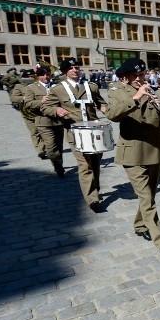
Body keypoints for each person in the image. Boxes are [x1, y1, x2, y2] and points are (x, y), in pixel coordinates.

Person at [106, 58, 160, 257]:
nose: (141, 78)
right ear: (125, 78)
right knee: (146, 197)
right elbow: (112, 114)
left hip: (156, 150)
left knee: (150, 194)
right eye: (136, 76)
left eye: (142, 74)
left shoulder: (155, 90)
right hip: (132, 152)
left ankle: (140, 224)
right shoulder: (116, 91)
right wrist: (137, 97)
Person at [42, 58, 109, 213]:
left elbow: (101, 103)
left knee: (96, 163)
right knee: (85, 165)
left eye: (77, 67)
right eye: (71, 68)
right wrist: (57, 111)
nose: (75, 70)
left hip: (94, 131)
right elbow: (46, 107)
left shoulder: (91, 86)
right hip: (75, 131)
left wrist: (105, 109)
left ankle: (95, 188)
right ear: (65, 71)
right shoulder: (58, 89)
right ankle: (92, 199)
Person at [25, 66, 65, 176]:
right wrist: (40, 101)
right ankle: (57, 165)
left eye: (48, 74)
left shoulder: (57, 86)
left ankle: (59, 164)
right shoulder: (31, 88)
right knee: (51, 147)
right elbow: (28, 104)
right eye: (43, 75)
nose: (46, 77)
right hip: (43, 121)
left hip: (58, 120)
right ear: (38, 76)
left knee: (59, 145)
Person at [11, 69, 47, 160]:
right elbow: (13, 98)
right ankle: (40, 150)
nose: (30, 78)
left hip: (41, 112)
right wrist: (24, 97)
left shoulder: (39, 85)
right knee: (34, 132)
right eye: (28, 77)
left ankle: (48, 147)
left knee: (44, 131)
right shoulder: (19, 86)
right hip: (28, 113)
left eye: (32, 76)